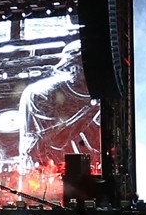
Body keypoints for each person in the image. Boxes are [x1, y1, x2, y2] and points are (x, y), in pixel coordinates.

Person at [17, 39, 102, 172]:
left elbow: (96, 143)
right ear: (72, 67)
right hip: (41, 173)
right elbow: (55, 140)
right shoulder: (41, 93)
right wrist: (91, 110)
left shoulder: (96, 94)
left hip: (77, 173)